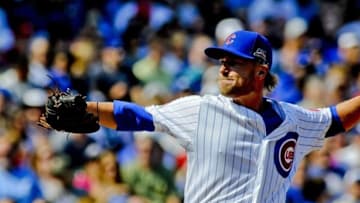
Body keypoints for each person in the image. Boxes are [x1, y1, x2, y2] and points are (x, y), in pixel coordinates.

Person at [60, 30, 360, 202]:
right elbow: (136, 116)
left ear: (260, 71)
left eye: (234, 62)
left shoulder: (291, 119)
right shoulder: (200, 109)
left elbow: (334, 120)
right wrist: (87, 108)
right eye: (222, 61)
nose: (223, 67)